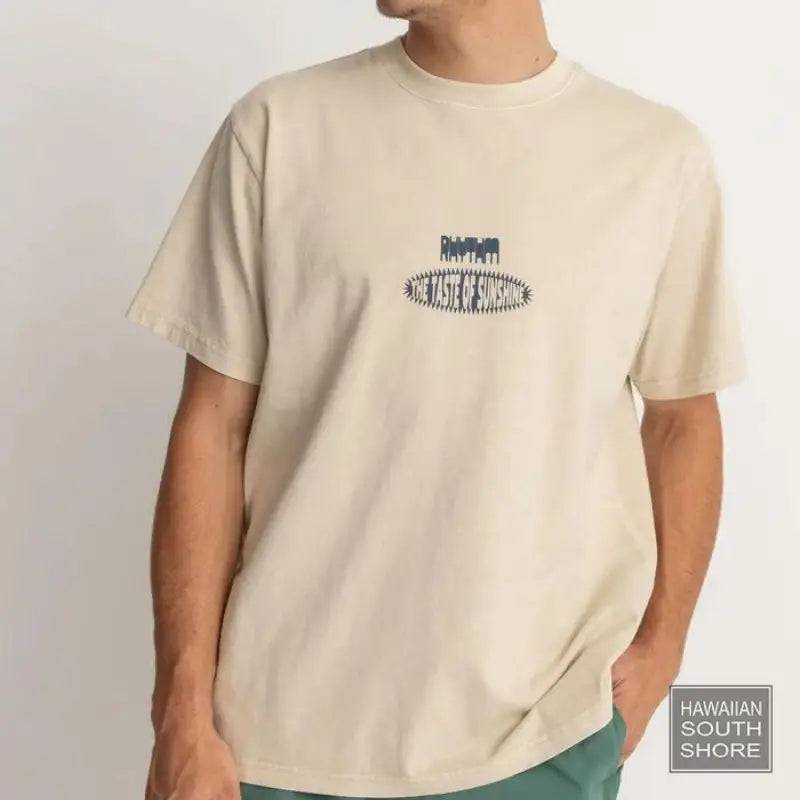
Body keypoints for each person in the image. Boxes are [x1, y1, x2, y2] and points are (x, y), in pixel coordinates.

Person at [126, 1, 747, 799]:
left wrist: (663, 649)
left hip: (542, 737)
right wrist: (179, 712)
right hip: (277, 742)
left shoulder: (656, 158)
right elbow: (212, 428)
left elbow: (683, 420)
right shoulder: (280, 130)